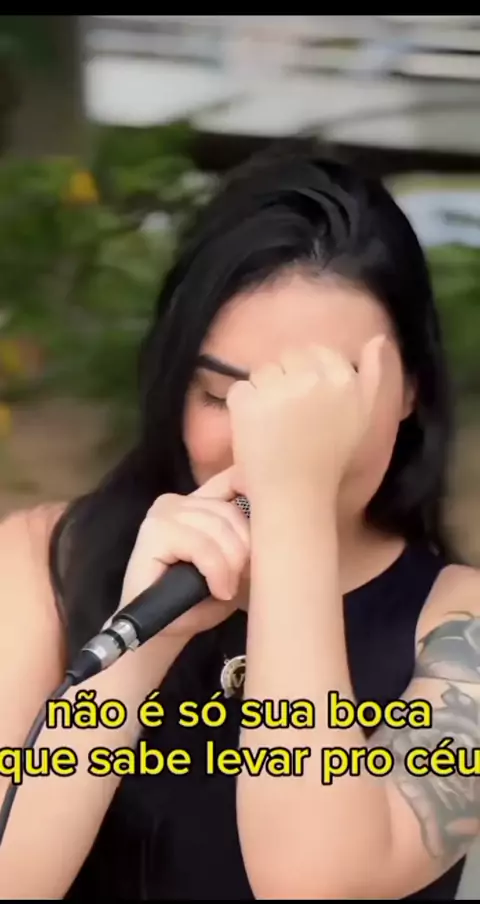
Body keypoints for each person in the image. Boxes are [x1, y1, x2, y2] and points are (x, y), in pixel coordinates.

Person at [0, 142, 478, 901]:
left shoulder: (460, 628)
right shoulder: (42, 560)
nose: (262, 441)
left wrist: (293, 512)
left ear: (410, 391)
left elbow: (316, 883)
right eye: (222, 398)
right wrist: (133, 656)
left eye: (316, 403)